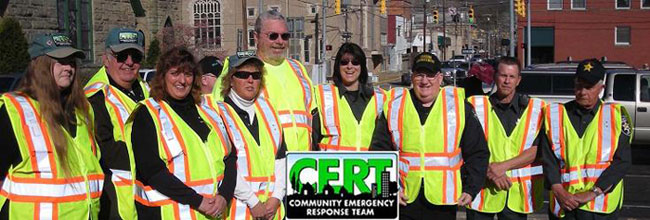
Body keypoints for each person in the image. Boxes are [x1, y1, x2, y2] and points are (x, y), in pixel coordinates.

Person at [370, 52, 490, 220]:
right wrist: (387, 190)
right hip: (404, 200)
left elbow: (478, 152)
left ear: (440, 78)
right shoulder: (394, 107)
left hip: (443, 201)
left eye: (430, 75)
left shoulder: (459, 107)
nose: (425, 81)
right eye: (419, 75)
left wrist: (471, 189)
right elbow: (379, 153)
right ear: (412, 78)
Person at [0, 33, 103, 219]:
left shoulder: (82, 111)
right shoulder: (14, 110)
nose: (68, 68)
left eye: (71, 62)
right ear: (41, 65)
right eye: (61, 61)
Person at [125, 47, 236, 219]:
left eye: (188, 74)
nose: (182, 80)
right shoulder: (148, 114)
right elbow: (152, 171)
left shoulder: (207, 110)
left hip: (214, 213)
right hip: (174, 214)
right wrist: (198, 201)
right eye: (175, 73)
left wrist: (224, 196)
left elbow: (230, 157)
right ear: (163, 76)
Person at [212, 10, 315, 151]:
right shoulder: (240, 68)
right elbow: (218, 115)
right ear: (256, 37)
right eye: (273, 36)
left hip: (300, 163)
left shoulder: (298, 69)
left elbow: (313, 115)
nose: (280, 41)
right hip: (263, 162)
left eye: (285, 36)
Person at [542, 59, 632, 219]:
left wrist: (593, 192)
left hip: (600, 205)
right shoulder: (555, 115)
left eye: (589, 87)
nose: (583, 92)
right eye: (578, 86)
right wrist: (558, 190)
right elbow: (548, 159)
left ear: (601, 88)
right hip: (564, 204)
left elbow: (622, 161)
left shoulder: (616, 116)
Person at [466, 56, 545, 219]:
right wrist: (488, 169)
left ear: (518, 80)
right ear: (495, 76)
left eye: (512, 77)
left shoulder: (536, 110)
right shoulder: (475, 106)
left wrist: (502, 167)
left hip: (516, 195)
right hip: (481, 193)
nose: (507, 81)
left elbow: (537, 150)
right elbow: (465, 147)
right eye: (503, 76)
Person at [84, 27, 149, 219]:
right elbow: (105, 150)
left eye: (135, 56)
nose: (129, 62)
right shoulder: (94, 96)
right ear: (106, 59)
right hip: (117, 201)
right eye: (121, 56)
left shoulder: (145, 88)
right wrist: (155, 154)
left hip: (147, 194)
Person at [217, 53, 287, 220]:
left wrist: (276, 198)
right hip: (240, 211)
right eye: (243, 75)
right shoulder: (218, 114)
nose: (250, 80)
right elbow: (224, 167)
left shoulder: (268, 109)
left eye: (256, 76)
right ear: (230, 80)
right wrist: (253, 202)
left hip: (272, 212)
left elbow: (281, 158)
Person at [312, 42, 386, 151]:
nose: (349, 66)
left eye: (355, 62)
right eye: (344, 62)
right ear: (338, 66)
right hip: (331, 167)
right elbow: (313, 139)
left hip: (367, 166)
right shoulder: (323, 96)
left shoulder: (380, 98)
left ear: (362, 67)